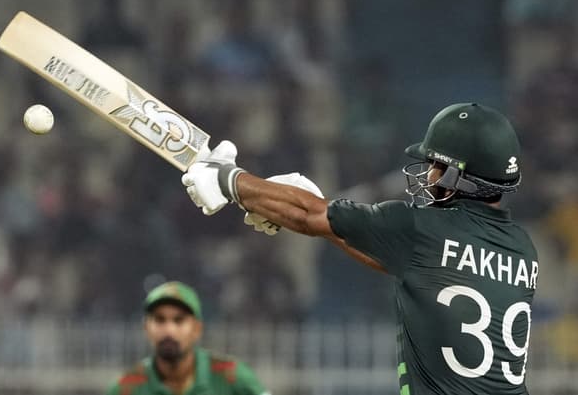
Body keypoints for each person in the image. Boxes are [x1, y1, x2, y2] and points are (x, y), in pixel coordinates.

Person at [182, 102, 538, 395]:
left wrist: (228, 179)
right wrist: (307, 215)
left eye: (437, 165)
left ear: (460, 176)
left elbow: (309, 216)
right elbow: (393, 256)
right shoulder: (522, 248)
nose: (429, 175)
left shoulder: (422, 229)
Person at [106, 281, 269, 395]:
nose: (169, 330)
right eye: (160, 319)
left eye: (179, 320)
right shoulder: (127, 388)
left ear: (197, 329)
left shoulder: (232, 378)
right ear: (146, 328)